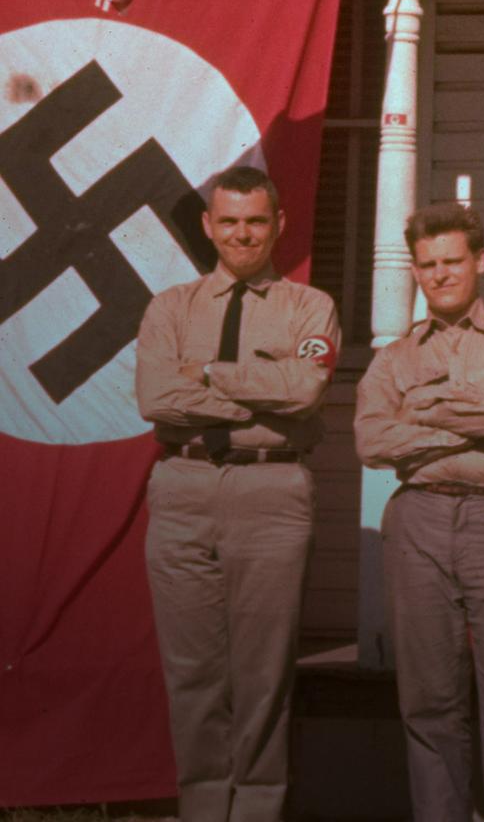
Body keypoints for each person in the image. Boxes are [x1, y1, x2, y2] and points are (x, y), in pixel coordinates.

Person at [135, 165, 340, 822]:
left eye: (256, 221)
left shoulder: (310, 307)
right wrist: (258, 389)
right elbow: (156, 400)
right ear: (208, 226)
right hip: (184, 487)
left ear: (278, 224)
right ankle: (201, 811)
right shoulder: (170, 307)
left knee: (262, 674)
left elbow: (304, 390)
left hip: (271, 491)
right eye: (229, 221)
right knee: (191, 673)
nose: (243, 234)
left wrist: (210, 375)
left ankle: (255, 812)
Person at [354, 203, 484, 822]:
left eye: (452, 261)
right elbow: (371, 440)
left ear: (482, 261)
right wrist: (465, 429)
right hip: (418, 521)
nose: (439, 275)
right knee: (429, 704)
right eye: (427, 265)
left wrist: (423, 409)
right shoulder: (394, 356)